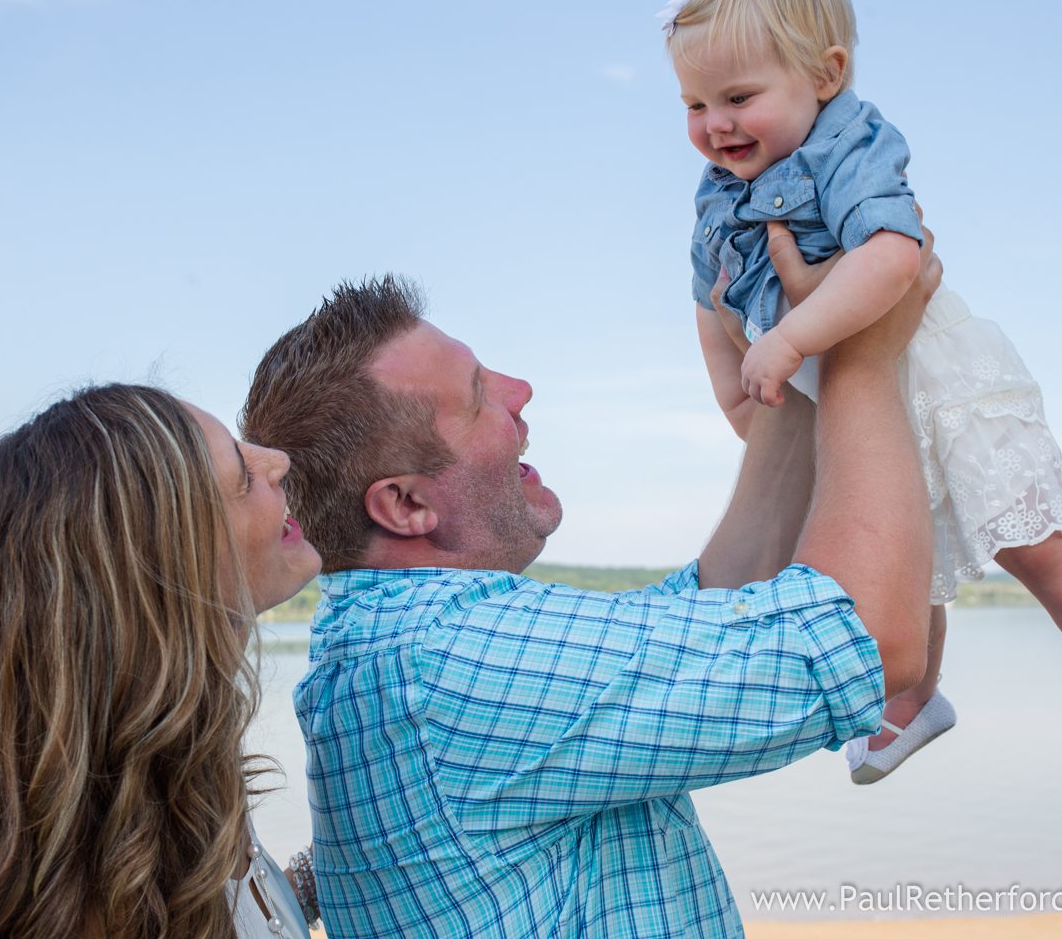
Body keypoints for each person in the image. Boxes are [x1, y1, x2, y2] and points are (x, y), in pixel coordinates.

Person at [240, 259, 936, 937]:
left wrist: (797, 356)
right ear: (406, 504)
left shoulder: (391, 635)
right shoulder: (450, 655)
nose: (521, 390)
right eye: (480, 395)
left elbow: (712, 607)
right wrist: (864, 360)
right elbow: (870, 642)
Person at [663, 0, 1062, 795]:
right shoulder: (717, 193)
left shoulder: (847, 144)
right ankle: (913, 699)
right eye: (695, 103)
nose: (716, 124)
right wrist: (733, 385)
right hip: (835, 396)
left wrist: (787, 341)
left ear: (826, 73)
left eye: (739, 97)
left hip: (931, 377)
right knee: (896, 557)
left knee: (1031, 539)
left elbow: (896, 256)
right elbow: (711, 300)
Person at [0, 384, 324, 939]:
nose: (278, 461)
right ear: (166, 569)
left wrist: (321, 874)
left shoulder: (168, 772)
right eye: (242, 476)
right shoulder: (87, 901)